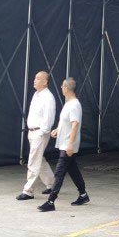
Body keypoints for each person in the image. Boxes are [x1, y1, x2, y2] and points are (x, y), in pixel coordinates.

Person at [38, 77, 89, 212]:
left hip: (67, 144)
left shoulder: (74, 105)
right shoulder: (68, 103)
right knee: (73, 170)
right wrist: (57, 130)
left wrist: (70, 145)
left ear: (66, 88)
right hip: (65, 143)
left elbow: (75, 125)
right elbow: (66, 123)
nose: (61, 88)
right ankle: (83, 195)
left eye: (62, 86)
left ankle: (51, 201)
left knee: (59, 173)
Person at [16, 70, 56, 201]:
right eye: (35, 78)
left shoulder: (48, 97)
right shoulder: (36, 94)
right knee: (39, 159)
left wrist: (42, 132)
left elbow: (49, 117)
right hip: (32, 131)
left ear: (45, 82)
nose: (34, 80)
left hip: (39, 133)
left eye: (38, 78)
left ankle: (28, 191)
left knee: (33, 161)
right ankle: (52, 184)